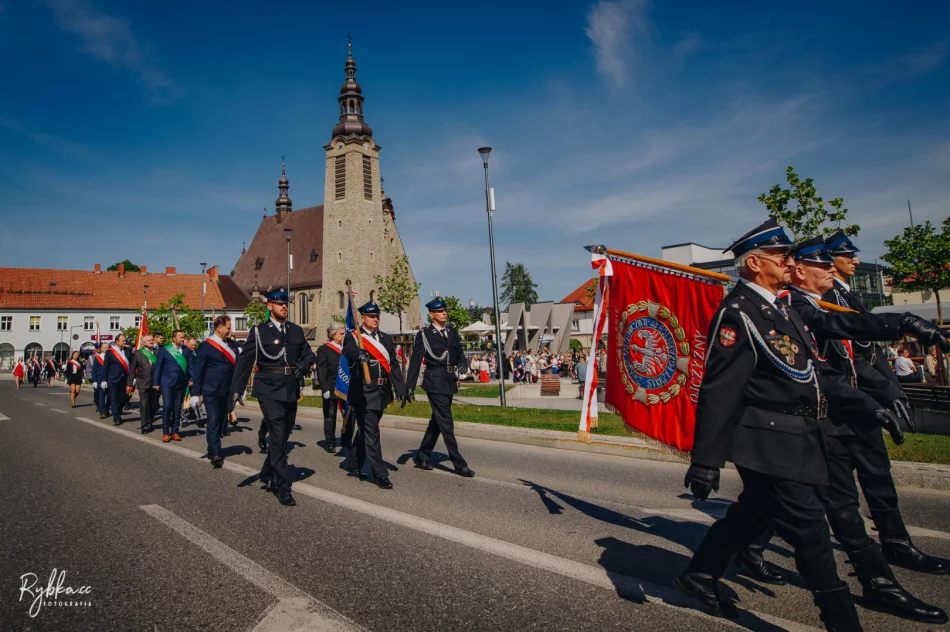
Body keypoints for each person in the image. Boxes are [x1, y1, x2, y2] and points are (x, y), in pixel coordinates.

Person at [676, 219, 885, 629]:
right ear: (754, 262)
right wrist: (706, 460)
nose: (791, 261)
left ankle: (698, 575)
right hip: (766, 443)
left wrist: (866, 405)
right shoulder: (738, 313)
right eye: (783, 255)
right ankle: (842, 621)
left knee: (753, 514)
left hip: (798, 438)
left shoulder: (779, 307)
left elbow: (811, 371)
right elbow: (720, 391)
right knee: (812, 534)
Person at [736, 236, 947, 623]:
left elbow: (855, 348)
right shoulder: (789, 307)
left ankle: (712, 565)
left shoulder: (819, 301)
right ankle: (875, 587)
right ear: (799, 269)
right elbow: (818, 366)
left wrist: (885, 389)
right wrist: (899, 326)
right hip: (820, 419)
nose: (835, 266)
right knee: (836, 509)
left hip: (847, 413)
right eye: (826, 263)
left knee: (787, 501)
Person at [824, 231, 949, 574]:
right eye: (845, 255)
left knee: (877, 473)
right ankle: (747, 542)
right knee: (816, 490)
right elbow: (850, 356)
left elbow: (870, 351)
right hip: (844, 402)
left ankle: (895, 543)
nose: (853, 260)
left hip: (865, 399)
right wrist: (886, 389)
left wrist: (892, 388)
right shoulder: (825, 298)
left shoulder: (848, 294)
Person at [229, 289, 314, 506]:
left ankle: (267, 472)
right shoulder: (259, 331)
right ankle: (282, 485)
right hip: (267, 388)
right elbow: (245, 361)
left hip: (290, 387)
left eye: (286, 303)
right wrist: (236, 390)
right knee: (276, 433)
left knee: (283, 434)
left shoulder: (295, 330)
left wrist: (303, 366)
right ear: (269, 306)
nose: (284, 306)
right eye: (279, 303)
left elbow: (308, 354)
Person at [405, 298, 475, 477]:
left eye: (445, 310)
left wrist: (462, 363)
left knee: (437, 422)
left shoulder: (451, 331)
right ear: (432, 315)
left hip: (449, 380)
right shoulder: (425, 334)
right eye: (440, 311)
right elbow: (415, 361)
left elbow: (458, 351)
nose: (444, 313)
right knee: (446, 422)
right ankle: (459, 463)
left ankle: (422, 456)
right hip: (434, 381)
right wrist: (409, 386)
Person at [340, 301, 406, 490]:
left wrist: (399, 388)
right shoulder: (353, 336)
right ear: (362, 318)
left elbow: (393, 364)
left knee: (367, 431)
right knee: (372, 432)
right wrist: (358, 354)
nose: (375, 319)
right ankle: (380, 474)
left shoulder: (385, 338)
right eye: (371, 316)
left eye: (377, 316)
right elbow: (348, 350)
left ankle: (352, 462)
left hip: (382, 391)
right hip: (364, 392)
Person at [192, 316, 238, 469]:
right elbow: (199, 370)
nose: (230, 329)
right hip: (211, 390)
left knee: (221, 421)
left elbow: (236, 368)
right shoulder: (206, 346)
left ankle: (212, 446)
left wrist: (238, 388)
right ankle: (217, 453)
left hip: (227, 389)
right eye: (228, 327)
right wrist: (195, 393)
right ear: (219, 328)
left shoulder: (231, 344)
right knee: (213, 420)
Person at [316, 323, 352, 454]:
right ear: (333, 334)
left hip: (346, 387)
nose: (344, 336)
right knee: (330, 416)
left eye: (344, 333)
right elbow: (321, 370)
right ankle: (330, 442)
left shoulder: (347, 349)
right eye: (341, 334)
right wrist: (324, 388)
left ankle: (346, 440)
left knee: (349, 414)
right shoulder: (324, 349)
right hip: (331, 387)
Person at [153, 329, 193, 442]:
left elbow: (191, 366)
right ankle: (166, 432)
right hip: (167, 383)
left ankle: (175, 431)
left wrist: (191, 378)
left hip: (181, 383)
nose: (182, 339)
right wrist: (156, 382)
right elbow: (158, 367)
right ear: (174, 338)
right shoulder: (165, 350)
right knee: (167, 406)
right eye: (180, 337)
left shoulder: (186, 350)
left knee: (177, 408)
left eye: (183, 337)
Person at [127, 334, 158, 434]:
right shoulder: (137, 353)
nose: (151, 341)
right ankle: (145, 425)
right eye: (149, 340)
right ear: (143, 343)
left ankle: (150, 420)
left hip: (156, 383)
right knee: (144, 404)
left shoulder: (158, 352)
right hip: (143, 382)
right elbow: (132, 370)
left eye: (152, 340)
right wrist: (129, 384)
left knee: (154, 404)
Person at [103, 333, 133, 426]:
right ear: (117, 341)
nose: (125, 342)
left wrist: (133, 378)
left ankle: (118, 411)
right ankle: (116, 417)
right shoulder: (110, 352)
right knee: (114, 398)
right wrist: (104, 380)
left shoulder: (128, 350)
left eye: (125, 340)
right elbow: (106, 366)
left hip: (125, 378)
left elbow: (131, 364)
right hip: (113, 379)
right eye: (123, 340)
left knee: (123, 398)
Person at [91, 343, 110, 418]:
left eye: (108, 347)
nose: (107, 349)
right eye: (105, 348)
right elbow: (94, 370)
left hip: (110, 379)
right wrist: (94, 381)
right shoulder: (98, 358)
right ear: (101, 349)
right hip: (100, 380)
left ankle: (107, 410)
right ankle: (102, 412)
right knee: (101, 396)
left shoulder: (112, 356)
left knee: (110, 397)